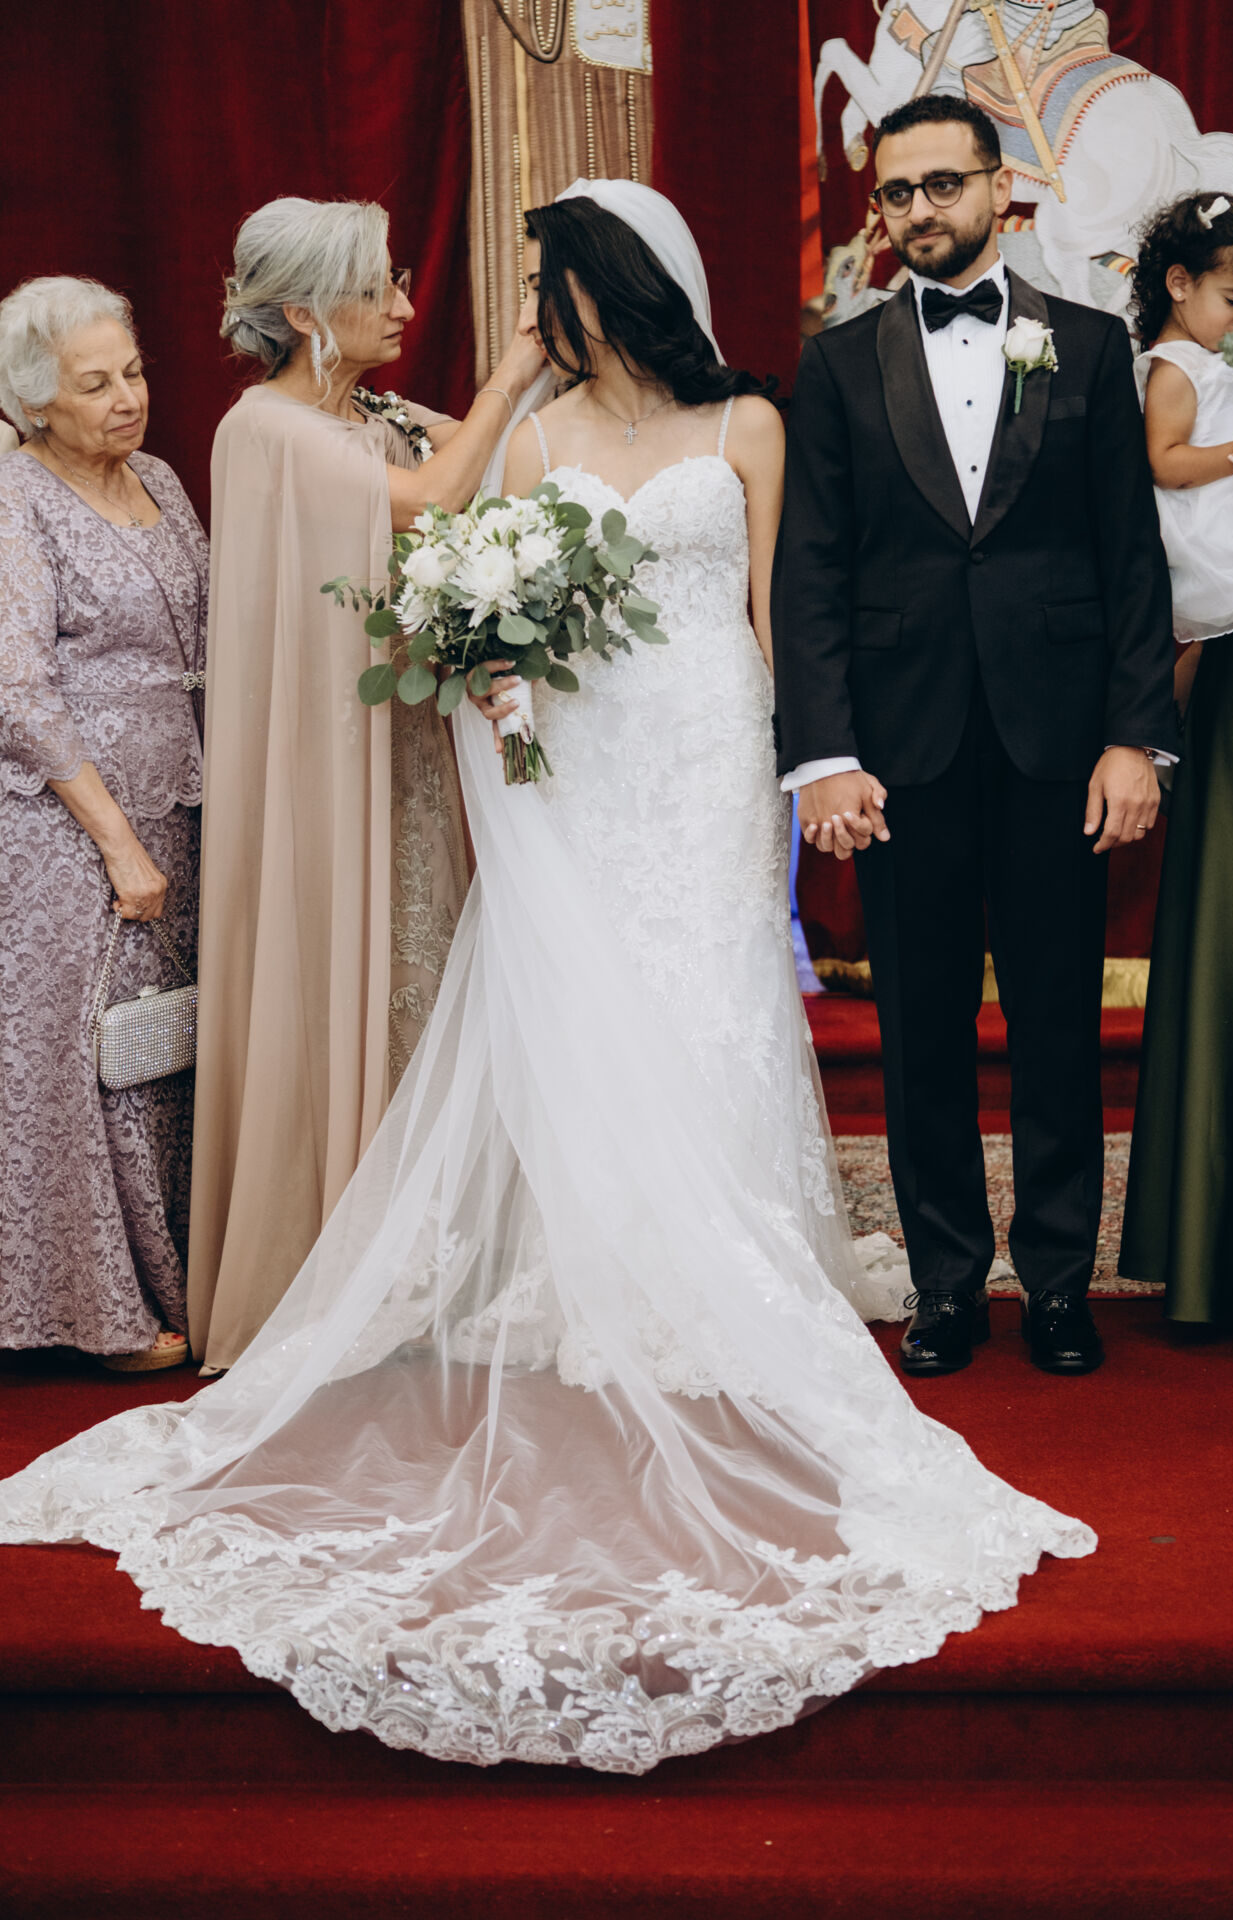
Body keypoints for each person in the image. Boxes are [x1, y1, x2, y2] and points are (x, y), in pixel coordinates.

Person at [0, 182, 1093, 1776]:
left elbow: (778, 612)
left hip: (705, 742)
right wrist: (503, 704)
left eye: (549, 287)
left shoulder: (750, 424)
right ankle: (596, 1258)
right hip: (573, 760)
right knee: (586, 997)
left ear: (613, 287)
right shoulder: (521, 429)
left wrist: (811, 760)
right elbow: (474, 601)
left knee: (713, 985)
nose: (526, 311)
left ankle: (730, 1246)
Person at [773, 94, 1178, 1379]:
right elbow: (809, 570)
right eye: (896, 193)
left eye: (941, 185)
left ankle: (1056, 1282)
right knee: (921, 1027)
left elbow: (1130, 558)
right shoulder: (837, 363)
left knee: (1056, 1018)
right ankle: (945, 1282)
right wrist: (823, 754)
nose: (917, 211)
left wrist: (1134, 737)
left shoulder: (1088, 347)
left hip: (1059, 742)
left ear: (1001, 190)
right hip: (901, 750)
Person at [189, 197, 547, 1372]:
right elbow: (435, 496)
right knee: (337, 976)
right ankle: (323, 1266)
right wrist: (509, 371)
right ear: (301, 314)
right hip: (319, 762)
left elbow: (501, 471)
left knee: (422, 978)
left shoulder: (375, 414)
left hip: (407, 750)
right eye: (376, 288)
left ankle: (428, 1259)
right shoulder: (264, 427)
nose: (403, 304)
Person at [0, 276, 207, 1370]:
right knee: (88, 1063)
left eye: (132, 372)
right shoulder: (14, 495)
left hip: (181, 803)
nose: (127, 397)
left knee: (161, 1047)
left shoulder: (160, 479)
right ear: (34, 402)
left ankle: (178, 1274)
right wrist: (115, 842)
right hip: (68, 827)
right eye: (95, 384)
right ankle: (96, 1314)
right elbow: (16, 691)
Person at [1119, 193, 1233, 1361]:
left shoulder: (1232, 363)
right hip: (1228, 596)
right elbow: (1165, 469)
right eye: (1230, 286)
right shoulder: (1174, 369)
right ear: (1176, 285)